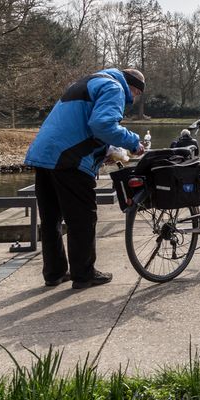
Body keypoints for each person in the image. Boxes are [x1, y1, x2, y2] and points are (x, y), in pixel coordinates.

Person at [24, 68, 147, 290]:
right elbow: (102, 125)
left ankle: (54, 273)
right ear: (134, 88)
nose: (133, 99)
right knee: (82, 219)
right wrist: (133, 142)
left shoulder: (83, 83)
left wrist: (105, 151)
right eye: (136, 94)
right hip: (68, 160)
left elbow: (79, 124)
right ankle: (84, 274)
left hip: (44, 154)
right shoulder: (114, 87)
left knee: (51, 218)